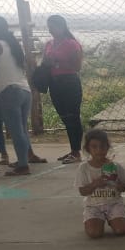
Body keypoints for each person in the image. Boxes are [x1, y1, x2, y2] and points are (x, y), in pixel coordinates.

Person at [0, 16, 35, 176]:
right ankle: (23, 159)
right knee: (21, 130)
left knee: (17, 131)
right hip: (24, 89)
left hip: (7, 91)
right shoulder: (12, 44)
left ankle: (23, 165)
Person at [43, 14, 84, 163]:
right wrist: (47, 63)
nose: (50, 30)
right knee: (65, 117)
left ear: (62, 27)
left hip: (69, 82)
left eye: (53, 27)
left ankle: (76, 152)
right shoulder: (49, 44)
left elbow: (77, 66)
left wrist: (58, 62)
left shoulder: (71, 44)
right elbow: (45, 62)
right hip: (54, 83)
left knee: (73, 116)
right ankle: (73, 150)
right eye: (49, 27)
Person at [75, 129, 125, 238]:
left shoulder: (115, 166)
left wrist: (118, 185)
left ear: (107, 147)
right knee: (94, 233)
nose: (99, 150)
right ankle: (96, 219)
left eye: (102, 146)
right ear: (88, 149)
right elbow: (82, 191)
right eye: (94, 147)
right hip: (93, 206)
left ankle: (118, 215)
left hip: (114, 203)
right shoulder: (83, 168)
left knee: (121, 230)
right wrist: (95, 184)